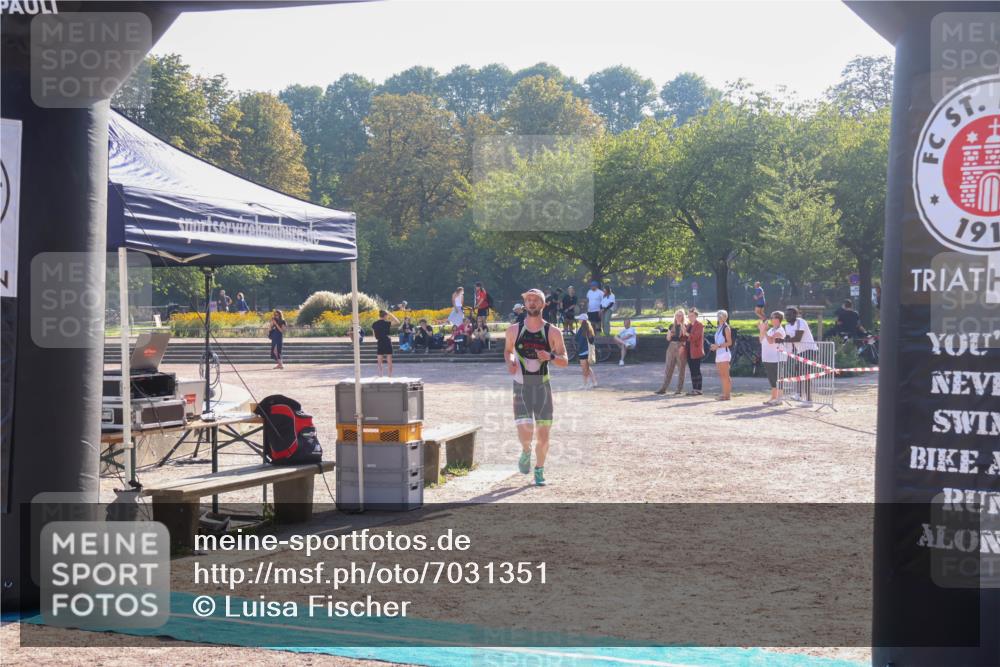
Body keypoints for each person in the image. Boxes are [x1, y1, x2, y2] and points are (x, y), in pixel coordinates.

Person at [504, 288, 569, 487]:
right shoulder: (514, 330)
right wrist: (510, 361)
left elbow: (564, 360)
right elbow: (508, 352)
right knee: (525, 433)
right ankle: (525, 452)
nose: (531, 303)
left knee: (543, 433)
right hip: (521, 387)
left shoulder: (553, 332)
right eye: (528, 300)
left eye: (536, 300)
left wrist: (549, 356)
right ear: (525, 305)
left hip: (542, 387)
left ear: (543, 304)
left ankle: (539, 470)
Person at [783, 306, 818, 404]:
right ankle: (799, 395)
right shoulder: (787, 326)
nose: (787, 317)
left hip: (810, 350)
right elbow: (789, 340)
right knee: (798, 372)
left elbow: (797, 338)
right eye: (786, 315)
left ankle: (809, 400)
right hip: (800, 352)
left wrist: (785, 340)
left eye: (789, 315)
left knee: (806, 374)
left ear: (795, 315)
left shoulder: (800, 322)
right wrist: (788, 353)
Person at [655, 309, 688, 395]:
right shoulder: (671, 326)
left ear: (683, 317)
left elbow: (685, 336)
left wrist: (682, 326)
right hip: (671, 347)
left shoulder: (686, 325)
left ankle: (679, 389)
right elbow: (668, 339)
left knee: (681, 369)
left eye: (680, 315)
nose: (678, 317)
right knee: (668, 368)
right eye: (677, 315)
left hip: (681, 347)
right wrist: (670, 334)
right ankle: (663, 388)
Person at [759, 311, 785, 405]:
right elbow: (761, 340)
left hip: (777, 358)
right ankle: (773, 397)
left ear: (778, 319)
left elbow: (771, 341)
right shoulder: (771, 330)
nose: (771, 319)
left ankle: (780, 399)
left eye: (773, 317)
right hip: (767, 358)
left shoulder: (780, 330)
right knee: (771, 379)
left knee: (778, 378)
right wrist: (762, 330)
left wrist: (764, 330)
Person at [711, 309, 734, 401]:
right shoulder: (719, 327)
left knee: (726, 375)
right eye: (718, 315)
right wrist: (714, 346)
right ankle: (724, 394)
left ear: (725, 317)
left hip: (724, 353)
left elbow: (729, 342)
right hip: (719, 354)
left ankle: (727, 395)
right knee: (722, 375)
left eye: (722, 316)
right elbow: (718, 342)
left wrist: (718, 346)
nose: (719, 317)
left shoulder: (726, 328)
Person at [372, 309, 400, 377]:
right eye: (387, 315)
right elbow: (397, 321)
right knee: (389, 359)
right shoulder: (387, 323)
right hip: (387, 340)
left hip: (380, 341)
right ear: (385, 315)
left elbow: (374, 334)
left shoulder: (374, 324)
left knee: (379, 360)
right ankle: (389, 375)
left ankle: (380, 374)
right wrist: (390, 314)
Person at [573, 314, 598, 388]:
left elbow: (578, 339)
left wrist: (578, 349)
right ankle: (594, 382)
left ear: (582, 320)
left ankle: (585, 384)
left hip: (583, 351)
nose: (578, 320)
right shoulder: (589, 327)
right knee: (588, 368)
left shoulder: (582, 329)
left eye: (579, 319)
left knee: (584, 369)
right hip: (588, 351)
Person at [685, 308, 705, 395]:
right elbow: (685, 337)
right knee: (692, 370)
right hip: (689, 351)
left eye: (692, 316)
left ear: (696, 316)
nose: (690, 317)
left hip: (696, 351)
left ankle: (699, 389)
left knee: (696, 370)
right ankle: (694, 389)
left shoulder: (699, 325)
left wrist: (686, 334)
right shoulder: (688, 325)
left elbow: (694, 338)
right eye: (689, 316)